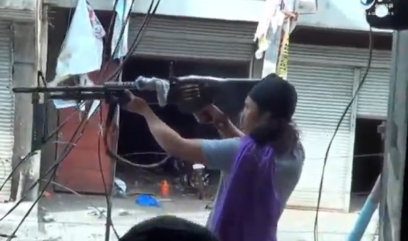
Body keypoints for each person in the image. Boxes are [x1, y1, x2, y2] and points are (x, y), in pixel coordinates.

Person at [123, 73, 305, 241]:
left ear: (266, 116)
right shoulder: (295, 153)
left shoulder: (241, 153)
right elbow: (249, 153)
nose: (243, 113)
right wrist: (222, 123)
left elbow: (177, 146)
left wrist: (144, 110)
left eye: (248, 107)